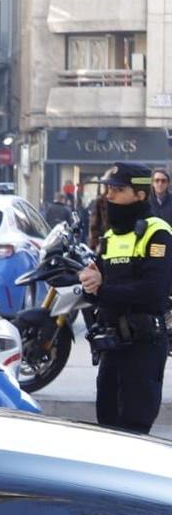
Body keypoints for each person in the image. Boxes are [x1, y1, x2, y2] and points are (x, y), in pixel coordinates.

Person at [80, 162, 172, 433]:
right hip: (112, 346)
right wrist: (89, 284)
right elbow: (97, 290)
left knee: (134, 427)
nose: (109, 196)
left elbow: (152, 290)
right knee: (106, 425)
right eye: (108, 189)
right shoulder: (110, 237)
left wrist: (102, 289)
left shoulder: (158, 233)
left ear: (140, 194)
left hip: (142, 345)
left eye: (117, 190)